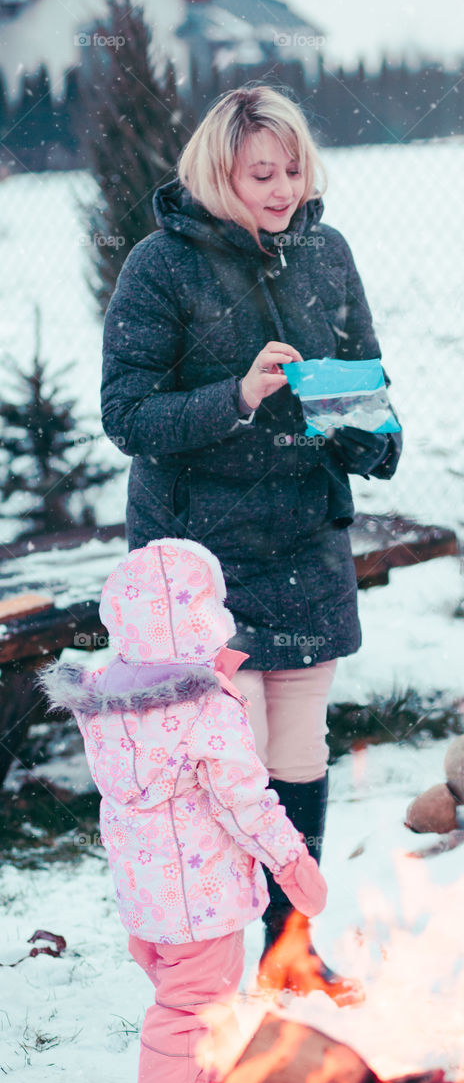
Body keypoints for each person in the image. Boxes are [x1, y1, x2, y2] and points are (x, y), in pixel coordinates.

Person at [100, 86, 401, 997]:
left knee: (297, 754)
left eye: (293, 168)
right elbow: (128, 414)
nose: (281, 188)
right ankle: (206, 966)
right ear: (217, 174)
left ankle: (290, 951)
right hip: (198, 561)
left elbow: (378, 424)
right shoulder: (162, 267)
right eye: (259, 172)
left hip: (304, 538)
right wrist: (239, 395)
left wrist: (354, 425)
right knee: (222, 765)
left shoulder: (326, 253)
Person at [40, 538, 328, 1083]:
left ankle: (200, 1079)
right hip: (204, 894)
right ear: (205, 617)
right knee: (192, 1005)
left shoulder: (105, 699)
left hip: (146, 895)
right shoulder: (206, 710)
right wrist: (291, 860)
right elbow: (244, 801)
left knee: (184, 997)